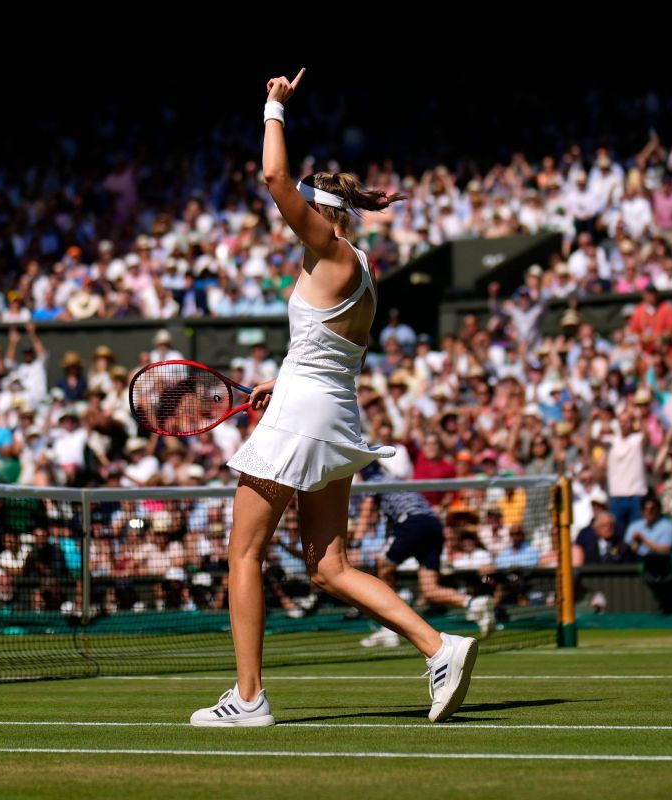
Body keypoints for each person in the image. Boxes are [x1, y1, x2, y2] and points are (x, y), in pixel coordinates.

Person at [191, 69, 478, 728]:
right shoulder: (361, 269)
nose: (290, 222)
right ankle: (441, 647)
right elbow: (328, 352)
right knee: (327, 565)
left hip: (308, 414)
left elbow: (273, 179)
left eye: (302, 213)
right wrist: (280, 381)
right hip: (329, 408)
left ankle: (248, 698)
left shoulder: (329, 248)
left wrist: (273, 107)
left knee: (242, 553)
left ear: (321, 215)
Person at [355, 462, 493, 649]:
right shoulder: (395, 481)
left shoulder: (372, 482)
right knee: (430, 589)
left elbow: (367, 509)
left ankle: (389, 630)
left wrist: (355, 542)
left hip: (413, 523)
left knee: (383, 566)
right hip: (433, 525)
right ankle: (474, 603)